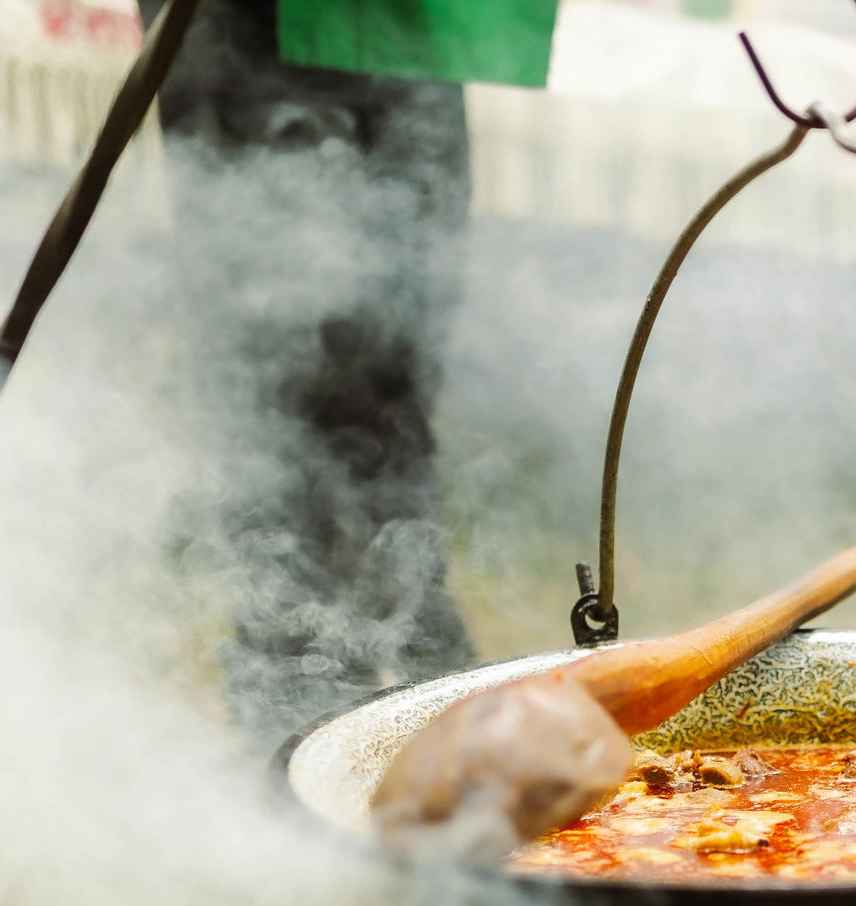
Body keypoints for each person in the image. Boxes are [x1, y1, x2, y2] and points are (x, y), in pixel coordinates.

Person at [136, 0, 555, 749]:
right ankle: (293, 689)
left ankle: (413, 648)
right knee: (278, 378)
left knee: (402, 351)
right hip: (259, 21)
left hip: (421, 24)